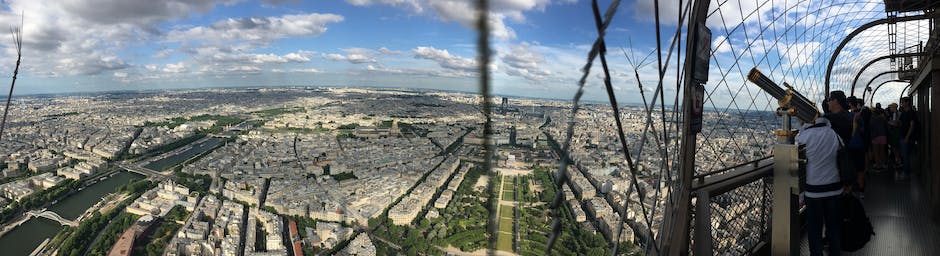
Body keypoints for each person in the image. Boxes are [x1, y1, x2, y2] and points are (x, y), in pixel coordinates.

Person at [797, 117, 843, 256]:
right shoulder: (833, 133)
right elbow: (842, 151)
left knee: (814, 228)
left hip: (814, 190)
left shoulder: (803, 136)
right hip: (835, 187)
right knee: (834, 227)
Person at [898, 97, 917, 179]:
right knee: (904, 155)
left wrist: (906, 137)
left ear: (907, 103)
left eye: (902, 102)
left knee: (906, 156)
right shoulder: (903, 112)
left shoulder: (911, 113)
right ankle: (906, 172)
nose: (901, 104)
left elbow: (912, 126)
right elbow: (900, 123)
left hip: (907, 138)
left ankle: (906, 173)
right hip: (903, 136)